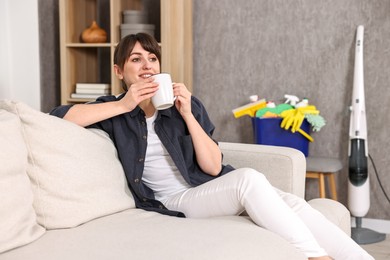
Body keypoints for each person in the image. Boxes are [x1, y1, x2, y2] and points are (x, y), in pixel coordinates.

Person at [50, 33, 373, 260]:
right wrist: (125, 104)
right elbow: (60, 117)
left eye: (152, 58)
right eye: (136, 59)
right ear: (120, 71)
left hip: (205, 187)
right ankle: (316, 256)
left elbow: (214, 168)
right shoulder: (113, 109)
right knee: (249, 179)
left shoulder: (181, 107)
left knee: (295, 203)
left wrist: (188, 114)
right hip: (171, 202)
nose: (147, 65)